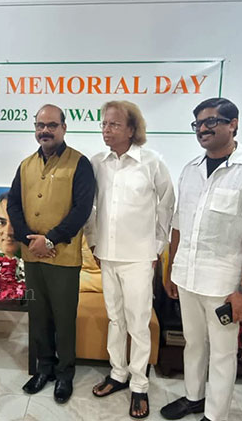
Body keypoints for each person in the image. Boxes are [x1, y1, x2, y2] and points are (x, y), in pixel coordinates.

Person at [161, 98, 242, 421]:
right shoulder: (190, 170)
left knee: (223, 354)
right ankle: (194, 397)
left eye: (210, 122)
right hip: (187, 277)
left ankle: (215, 415)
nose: (202, 129)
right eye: (198, 123)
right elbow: (178, 225)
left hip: (224, 286)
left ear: (233, 124)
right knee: (193, 344)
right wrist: (171, 270)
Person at [85, 100, 174, 418]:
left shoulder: (151, 162)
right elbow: (91, 207)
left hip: (139, 257)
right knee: (115, 319)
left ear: (132, 129)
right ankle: (118, 373)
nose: (106, 130)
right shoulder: (97, 162)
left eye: (114, 124)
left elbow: (167, 204)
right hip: (107, 255)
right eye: (104, 124)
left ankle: (139, 385)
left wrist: (158, 246)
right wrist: (93, 242)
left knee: (138, 323)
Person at [7, 104, 95, 404]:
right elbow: (14, 205)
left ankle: (65, 374)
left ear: (63, 128)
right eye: (40, 125)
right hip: (32, 257)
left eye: (52, 125)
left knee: (64, 318)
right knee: (39, 315)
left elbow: (81, 209)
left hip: (63, 257)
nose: (45, 130)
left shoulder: (80, 164)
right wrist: (28, 239)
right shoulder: (25, 165)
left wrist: (50, 239)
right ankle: (44, 368)